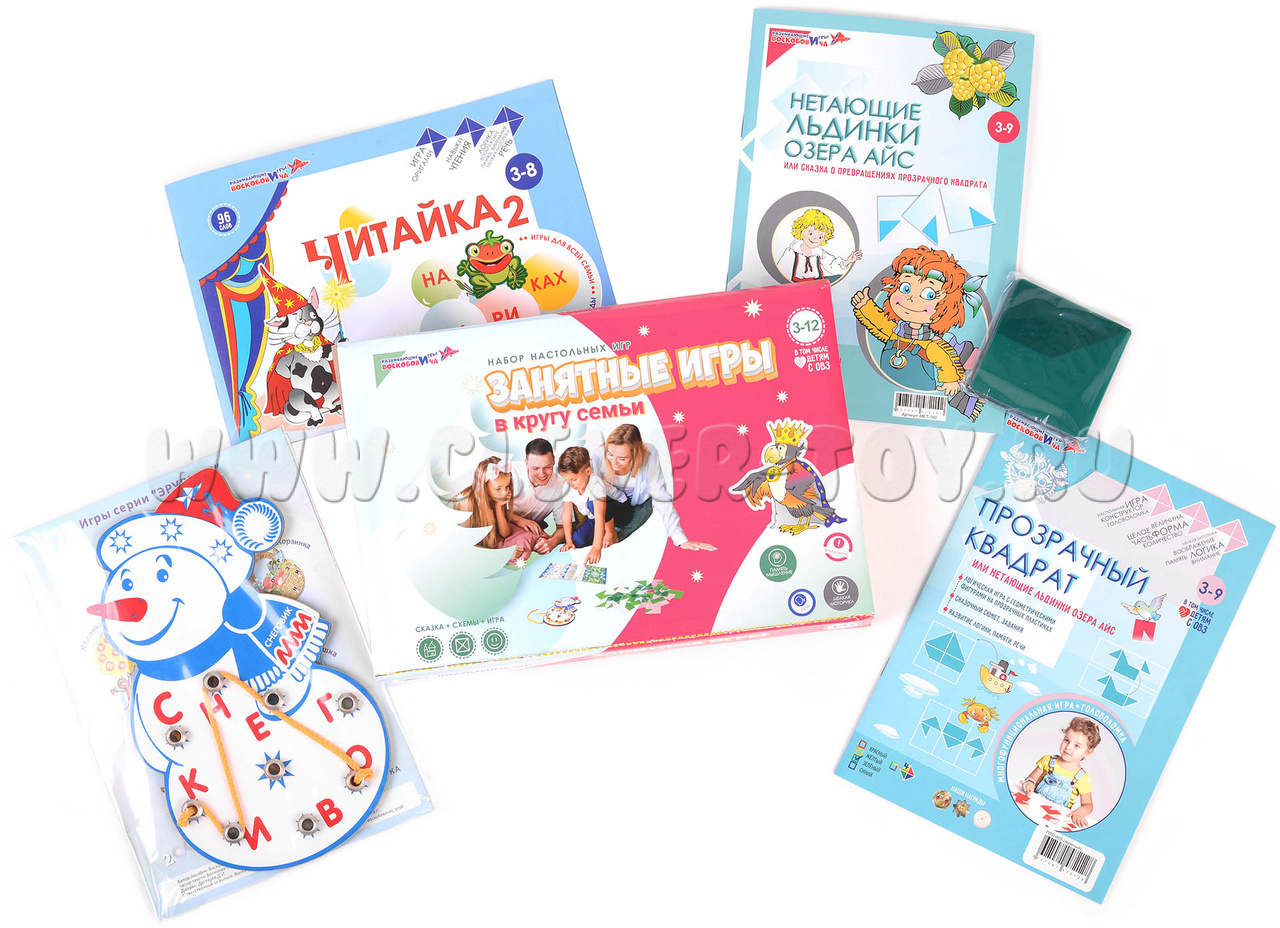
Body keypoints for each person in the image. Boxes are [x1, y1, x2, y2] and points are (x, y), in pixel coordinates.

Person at [593, 423, 715, 551]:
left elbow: (659, 493)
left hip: (636, 505)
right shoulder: (599, 454)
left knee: (623, 529)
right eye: (610, 454)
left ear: (635, 454)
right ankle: (605, 531)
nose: (614, 462)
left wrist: (679, 538)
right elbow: (591, 486)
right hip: (609, 500)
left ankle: (613, 534)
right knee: (586, 532)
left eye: (622, 459)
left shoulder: (649, 454)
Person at [450, 456, 547, 564]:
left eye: (507, 486)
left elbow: (505, 534)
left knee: (528, 540)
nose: (504, 492)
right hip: (472, 544)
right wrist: (503, 554)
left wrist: (498, 507)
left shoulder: (496, 496)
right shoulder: (467, 503)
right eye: (498, 488)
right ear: (484, 486)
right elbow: (465, 545)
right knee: (518, 553)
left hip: (490, 537)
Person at [1019, 717, 1100, 827]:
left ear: (1088, 752)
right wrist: (1029, 783)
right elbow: (1031, 778)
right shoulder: (1047, 760)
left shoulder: (1083, 779)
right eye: (1067, 740)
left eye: (1077, 745)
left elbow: (1088, 805)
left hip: (1054, 819)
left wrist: (1081, 812)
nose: (1068, 747)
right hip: (1033, 809)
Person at [556, 446, 625, 565]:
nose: (570, 484)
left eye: (574, 479)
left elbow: (600, 515)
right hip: (594, 516)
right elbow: (566, 515)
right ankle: (602, 531)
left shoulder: (595, 485)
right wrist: (568, 541)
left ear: (588, 472)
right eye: (566, 479)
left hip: (618, 509)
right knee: (578, 540)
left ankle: (611, 533)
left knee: (591, 504)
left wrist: (596, 548)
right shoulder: (568, 486)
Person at [508, 438, 568, 554]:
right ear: (526, 463)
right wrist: (518, 520)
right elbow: (488, 508)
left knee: (532, 543)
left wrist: (552, 542)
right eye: (535, 468)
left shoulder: (560, 487)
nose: (542, 474)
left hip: (529, 531)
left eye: (547, 467)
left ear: (553, 461)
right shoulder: (510, 473)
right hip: (502, 523)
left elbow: (563, 527)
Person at [776, 207, 861, 282]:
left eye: (820, 237)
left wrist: (848, 261)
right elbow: (782, 271)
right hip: (798, 286)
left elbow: (832, 265)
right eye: (810, 233)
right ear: (802, 230)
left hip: (818, 285)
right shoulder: (792, 251)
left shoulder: (820, 253)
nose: (814, 239)